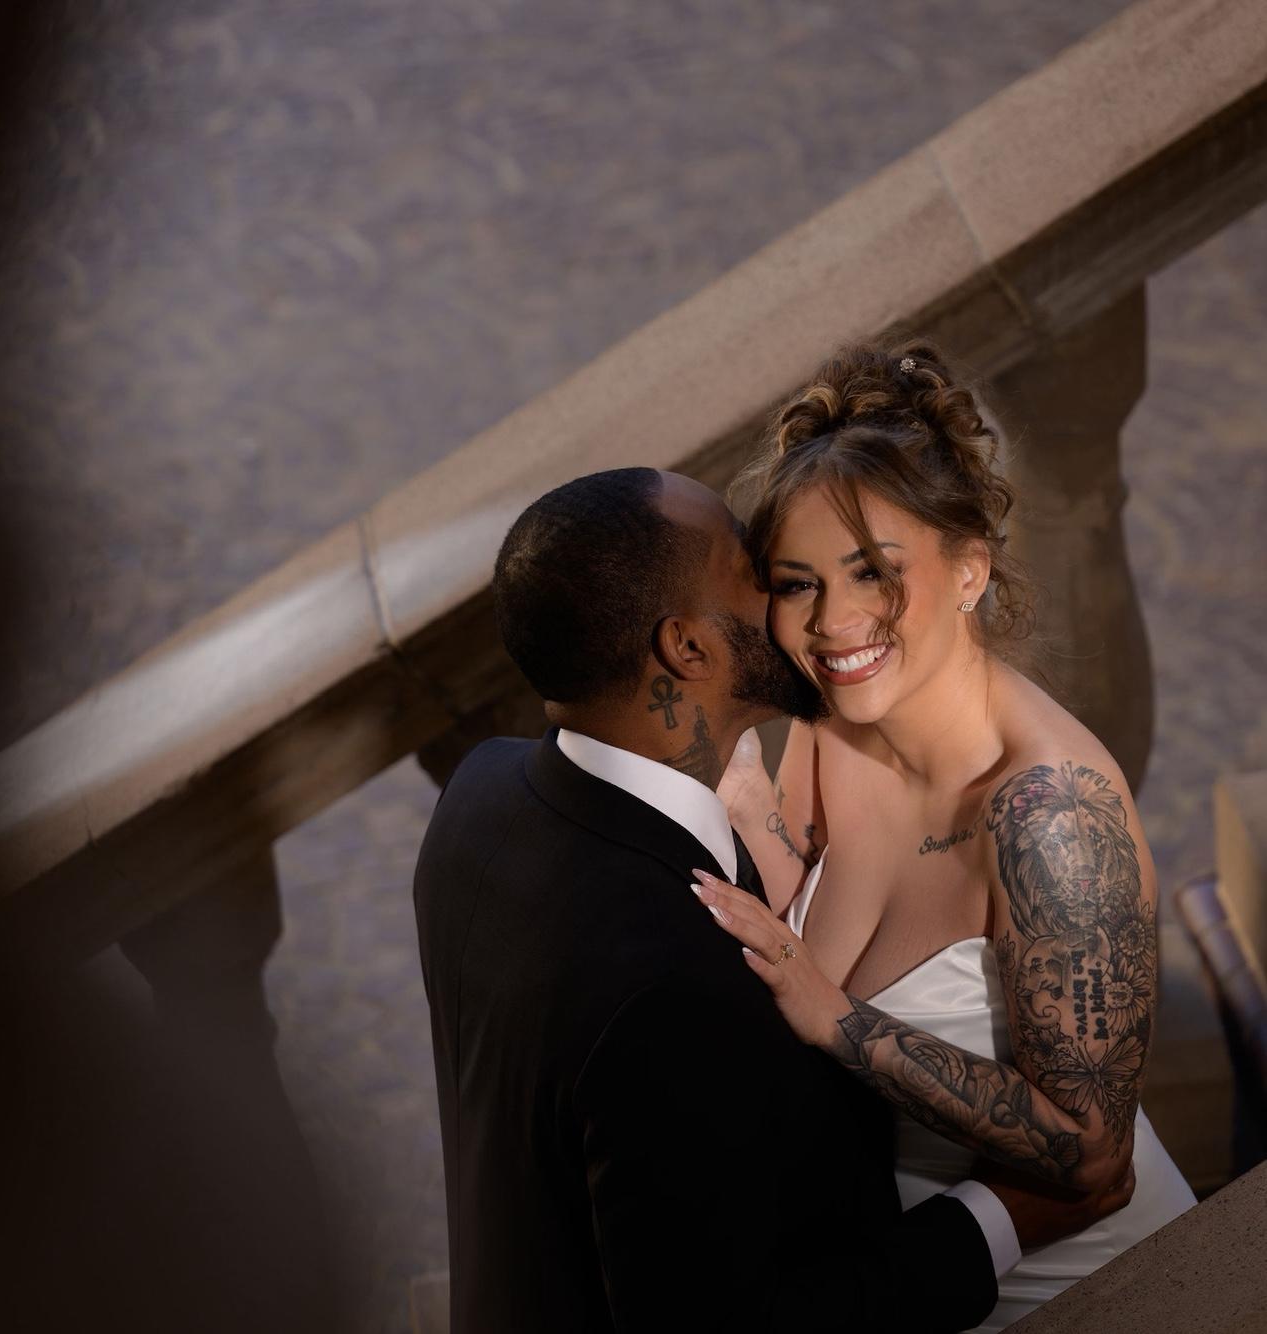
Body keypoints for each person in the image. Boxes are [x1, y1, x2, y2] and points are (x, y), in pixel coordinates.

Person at [413, 466, 1132, 1333]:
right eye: (754, 570)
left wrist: (751, 809)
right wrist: (1001, 1222)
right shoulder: (670, 993)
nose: (797, 599)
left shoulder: (479, 795)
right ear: (688, 650)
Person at [695, 342, 1195, 1330]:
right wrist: (741, 800)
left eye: (873, 572)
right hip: (911, 1280)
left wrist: (837, 1021)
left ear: (969, 568)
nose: (834, 622)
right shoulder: (832, 722)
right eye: (797, 583)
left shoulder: (1050, 814)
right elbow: (793, 907)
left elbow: (1092, 1154)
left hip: (1091, 1291)